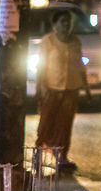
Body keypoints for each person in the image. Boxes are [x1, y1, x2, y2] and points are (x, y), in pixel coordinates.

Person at [35, 9, 87, 172]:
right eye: (63, 21)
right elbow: (41, 66)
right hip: (51, 87)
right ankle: (38, 155)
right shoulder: (48, 41)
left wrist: (86, 87)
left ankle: (62, 156)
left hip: (71, 88)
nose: (66, 25)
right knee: (46, 123)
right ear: (54, 25)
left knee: (65, 124)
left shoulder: (75, 41)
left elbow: (80, 64)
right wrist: (40, 87)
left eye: (68, 21)